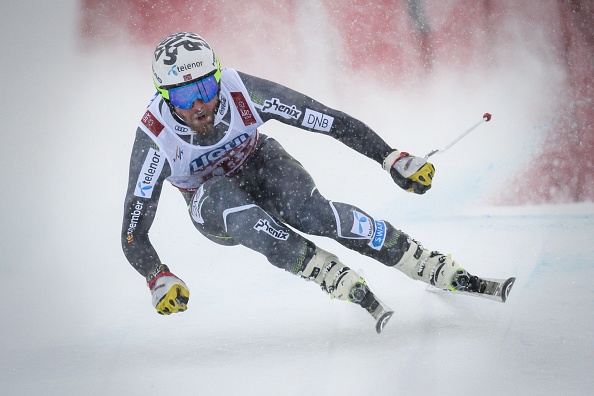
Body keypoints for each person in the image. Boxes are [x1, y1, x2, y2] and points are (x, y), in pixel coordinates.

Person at [121, 32, 500, 321]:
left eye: (205, 87)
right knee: (224, 196)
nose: (200, 105)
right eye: (184, 97)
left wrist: (390, 157)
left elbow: (328, 119)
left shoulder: (244, 92)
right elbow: (134, 230)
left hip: (260, 164)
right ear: (164, 97)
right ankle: (317, 267)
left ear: (219, 78)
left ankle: (416, 258)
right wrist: (158, 275)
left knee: (314, 214)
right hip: (212, 204)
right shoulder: (155, 138)